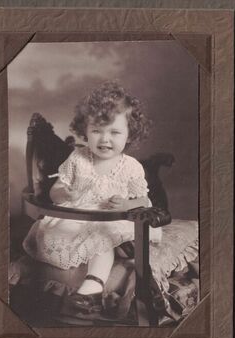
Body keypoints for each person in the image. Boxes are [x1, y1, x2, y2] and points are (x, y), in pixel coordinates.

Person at [23, 81, 162, 309]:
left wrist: (126, 203)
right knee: (57, 234)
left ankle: (92, 288)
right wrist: (63, 192)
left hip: (111, 219)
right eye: (96, 131)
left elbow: (143, 200)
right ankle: (121, 247)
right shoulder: (78, 158)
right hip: (79, 216)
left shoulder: (131, 166)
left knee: (103, 239)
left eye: (114, 132)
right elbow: (56, 190)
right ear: (85, 131)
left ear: (130, 135)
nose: (104, 139)